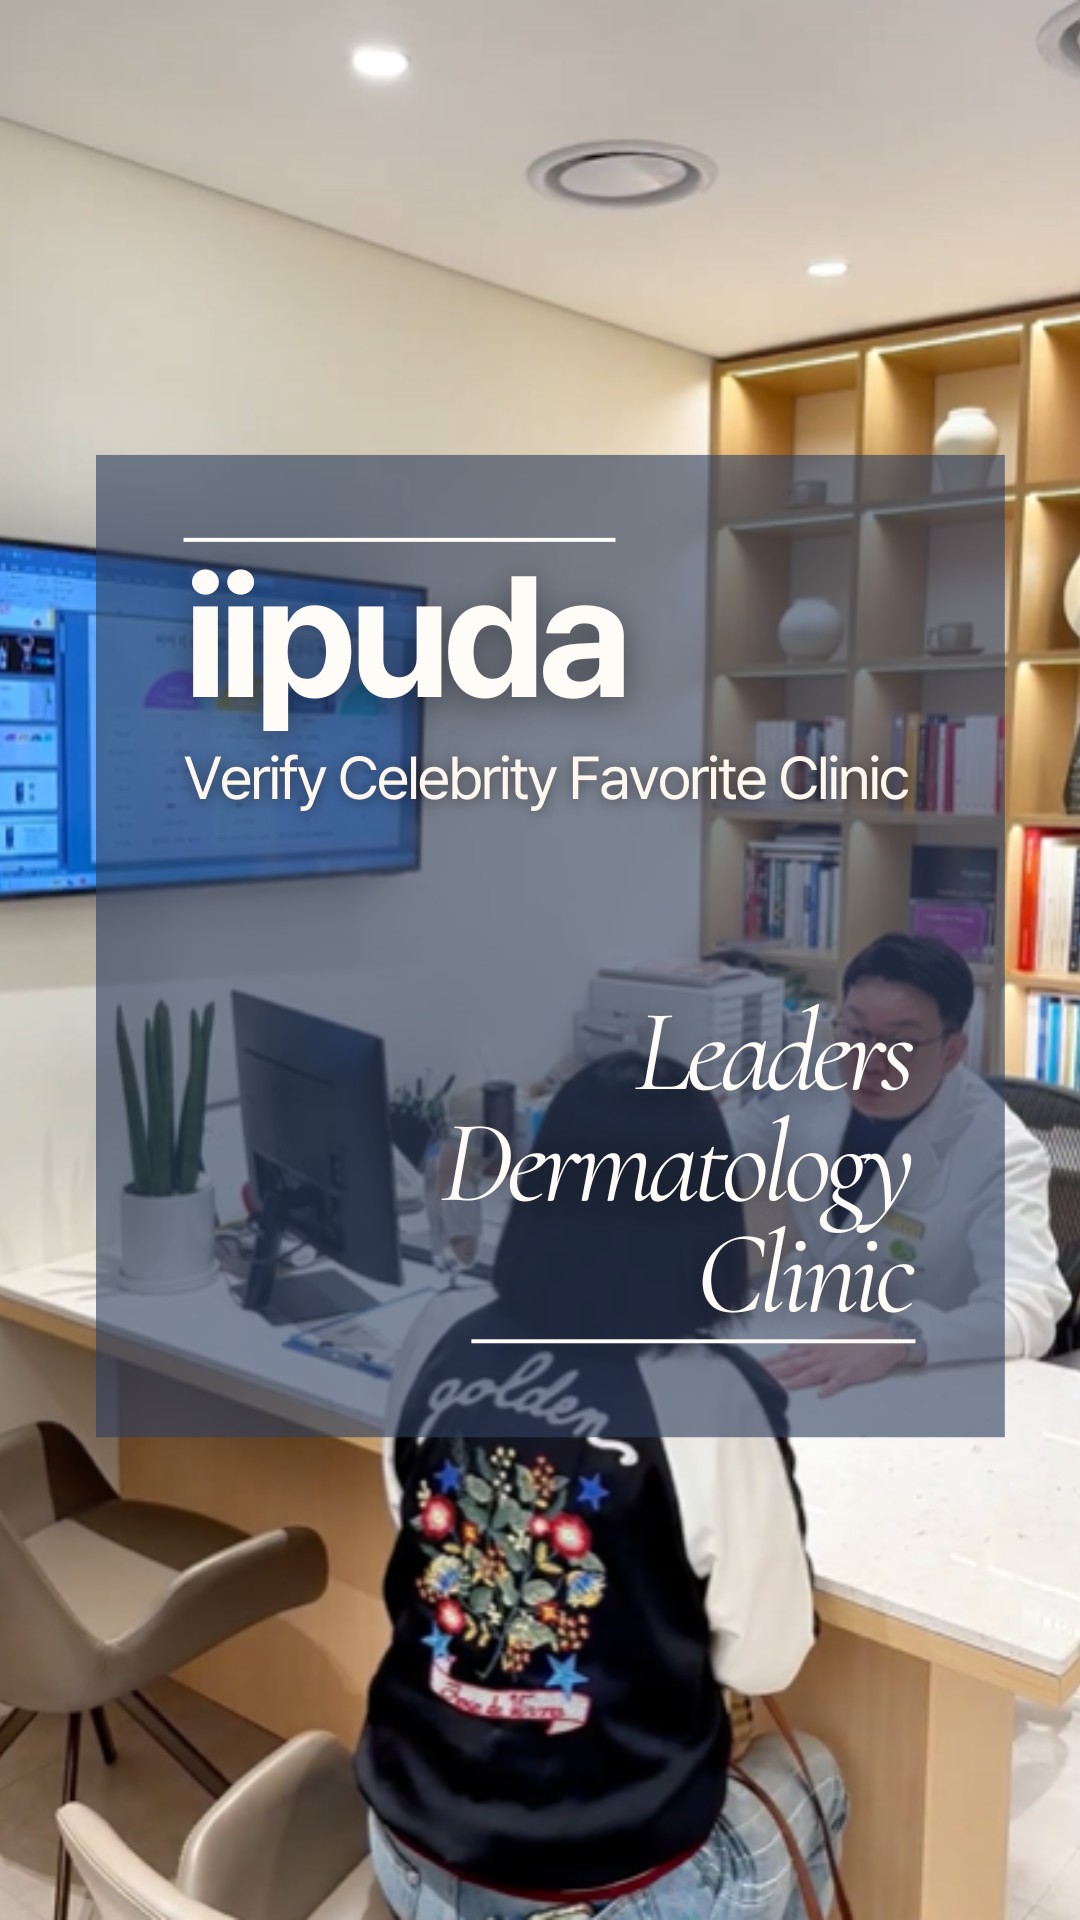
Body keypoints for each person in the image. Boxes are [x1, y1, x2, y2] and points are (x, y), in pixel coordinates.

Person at [355, 1053, 846, 1920]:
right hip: (602, 1886)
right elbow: (764, 1659)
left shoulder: (442, 1330)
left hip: (406, 1841)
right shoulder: (709, 1395)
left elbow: (411, 1515)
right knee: (824, 1778)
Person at [726, 933, 1070, 1397]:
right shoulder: (811, 1081)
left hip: (921, 1367)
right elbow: (724, 1160)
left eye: (901, 1044)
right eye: (857, 1031)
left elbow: (1027, 1307)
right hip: (805, 1321)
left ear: (951, 1052)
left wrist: (901, 1340)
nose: (870, 1061)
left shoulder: (1000, 1150)